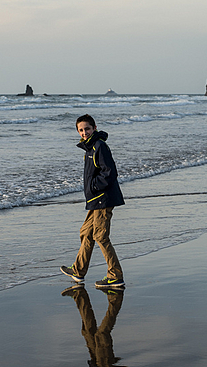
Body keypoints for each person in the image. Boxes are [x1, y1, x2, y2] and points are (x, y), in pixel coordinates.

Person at [61, 114, 125, 288]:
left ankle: (115, 276)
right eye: (81, 130)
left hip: (103, 199)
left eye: (87, 129)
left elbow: (110, 172)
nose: (84, 133)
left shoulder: (99, 146)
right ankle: (78, 271)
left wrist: (94, 186)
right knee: (86, 232)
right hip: (95, 199)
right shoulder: (90, 147)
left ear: (94, 128)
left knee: (100, 236)